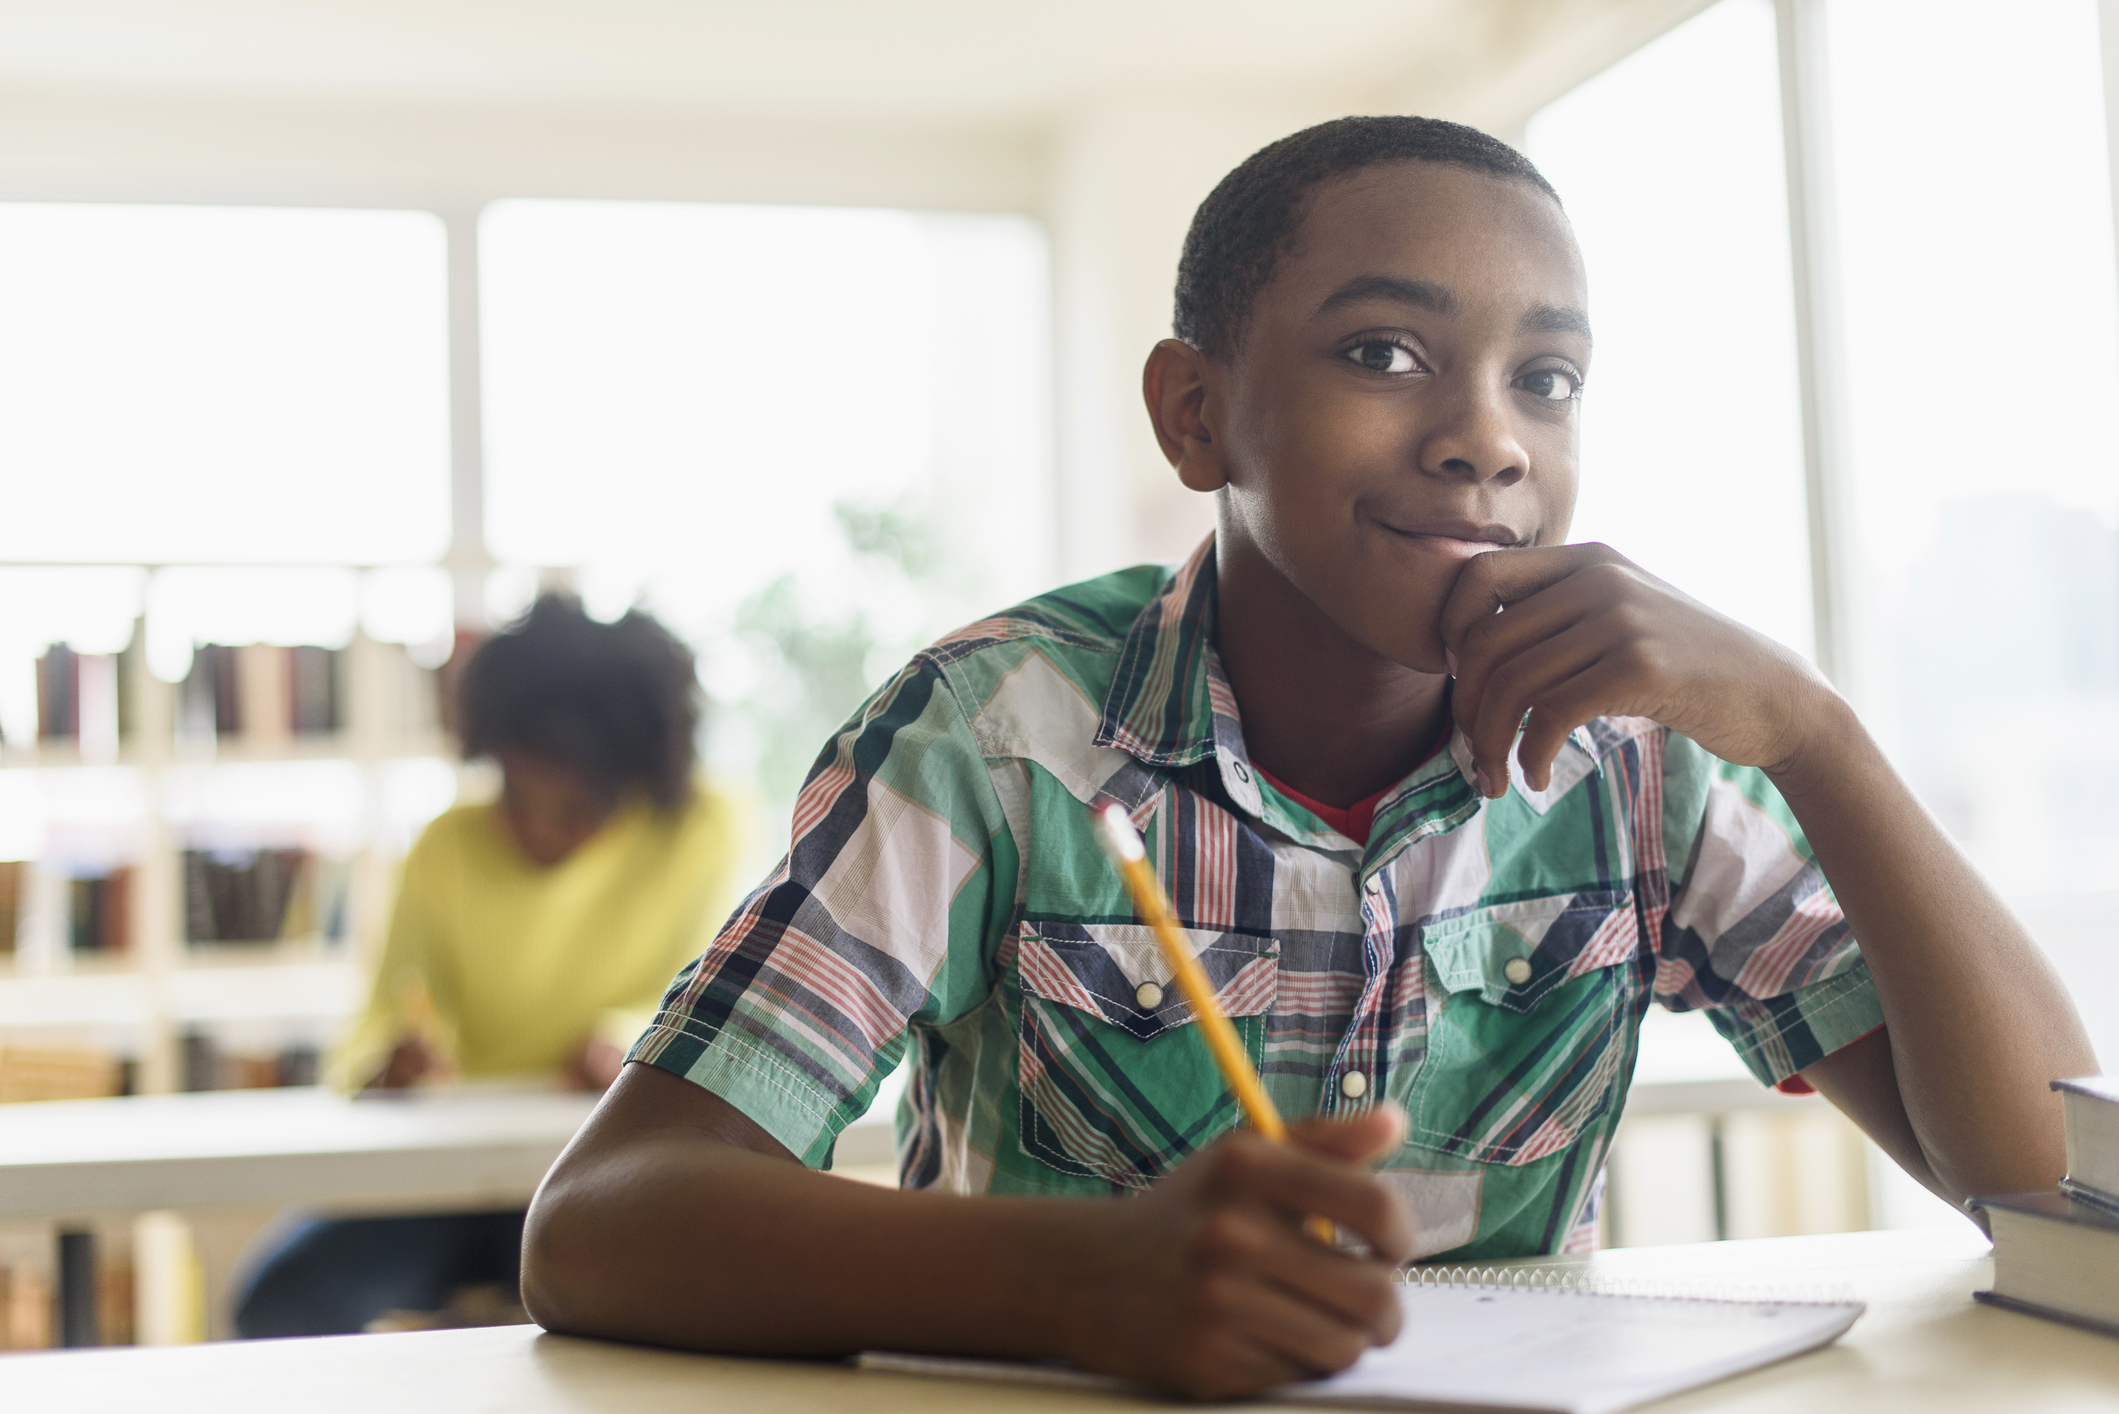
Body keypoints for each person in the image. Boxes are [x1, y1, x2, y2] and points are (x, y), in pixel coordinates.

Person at [519, 118, 2095, 1398]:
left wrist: (1813, 732)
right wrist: (1082, 1286)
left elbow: (2040, 1184)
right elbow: (604, 1220)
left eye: (1543, 378)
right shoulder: (1000, 740)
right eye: (1386, 354)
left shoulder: (1641, 766)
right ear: (1195, 415)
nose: (1486, 436)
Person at [233, 593, 745, 1338]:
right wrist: (386, 1063)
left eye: (575, 806)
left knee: (632, 1319)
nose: (538, 825)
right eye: (514, 789)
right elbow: (376, 1018)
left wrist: (626, 1038)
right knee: (276, 1303)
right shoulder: (446, 846)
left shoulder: (700, 828)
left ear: (630, 779)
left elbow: (702, 999)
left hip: (610, 1172)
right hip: (443, 1183)